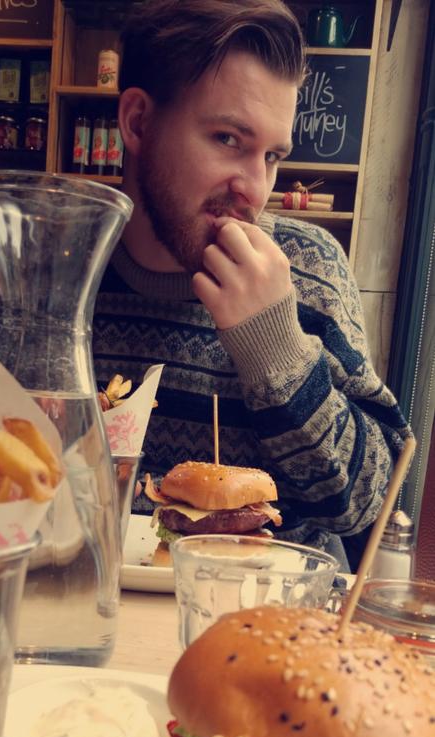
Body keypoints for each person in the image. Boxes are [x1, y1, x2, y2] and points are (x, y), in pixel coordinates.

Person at [92, 0, 412, 568]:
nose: (255, 191)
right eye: (228, 140)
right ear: (138, 121)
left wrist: (279, 353)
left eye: (271, 156)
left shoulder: (307, 266)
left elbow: (376, 504)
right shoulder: (67, 271)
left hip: (273, 619)